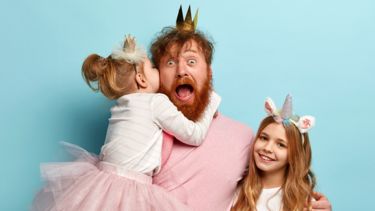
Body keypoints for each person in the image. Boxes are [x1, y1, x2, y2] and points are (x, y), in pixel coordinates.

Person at [151, 6, 332, 211]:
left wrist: (314, 204)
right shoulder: (140, 127)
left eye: (191, 61)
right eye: (170, 62)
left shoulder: (242, 138)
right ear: (156, 74)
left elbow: (273, 178)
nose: (181, 70)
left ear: (209, 72)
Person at [31, 35, 221, 211]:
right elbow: (195, 135)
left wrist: (133, 57)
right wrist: (211, 102)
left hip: (101, 181)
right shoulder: (156, 102)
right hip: (132, 186)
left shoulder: (123, 103)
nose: (158, 71)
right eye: (153, 68)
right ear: (141, 79)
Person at [232, 95, 316, 211]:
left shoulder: (304, 203)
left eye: (281, 145)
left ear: (294, 155)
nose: (268, 148)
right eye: (264, 138)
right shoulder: (234, 189)